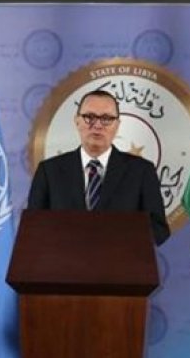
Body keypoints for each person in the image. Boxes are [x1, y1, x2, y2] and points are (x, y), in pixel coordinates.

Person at [27, 89, 170, 245]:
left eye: (106, 119)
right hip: (64, 259)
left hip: (120, 259)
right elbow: (33, 230)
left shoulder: (141, 171)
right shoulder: (49, 171)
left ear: (117, 125)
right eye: (89, 117)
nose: (97, 125)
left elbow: (159, 231)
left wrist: (116, 238)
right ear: (77, 121)